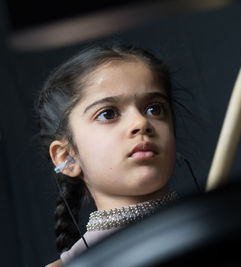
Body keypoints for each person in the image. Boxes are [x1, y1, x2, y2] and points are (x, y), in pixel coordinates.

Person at [36, 44, 183, 267]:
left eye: (154, 109)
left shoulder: (227, 232)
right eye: (108, 113)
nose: (141, 122)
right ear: (66, 156)